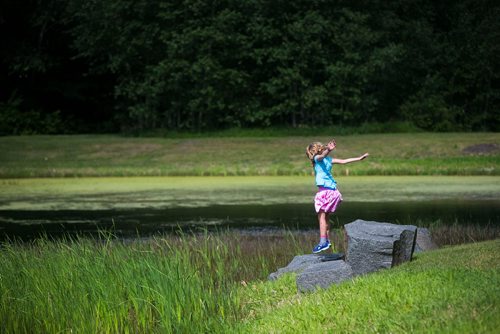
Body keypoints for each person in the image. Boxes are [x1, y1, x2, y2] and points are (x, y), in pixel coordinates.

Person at [306, 139, 369, 253]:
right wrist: (359, 158)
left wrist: (328, 150)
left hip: (325, 193)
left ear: (314, 152)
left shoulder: (317, 159)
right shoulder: (328, 159)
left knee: (321, 217)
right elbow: (344, 161)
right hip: (334, 192)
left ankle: (322, 242)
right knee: (326, 217)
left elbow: (321, 157)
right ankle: (327, 241)